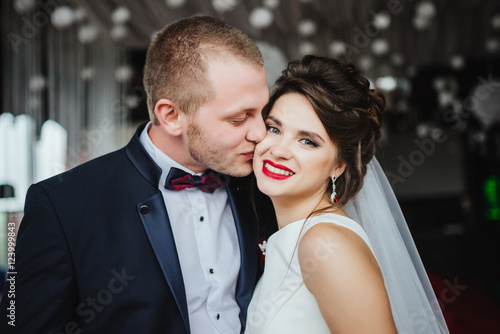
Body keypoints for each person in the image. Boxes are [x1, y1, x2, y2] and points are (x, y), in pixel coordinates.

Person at [0, 16, 272, 333]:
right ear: (171, 116)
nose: (261, 132)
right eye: (240, 118)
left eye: (262, 112)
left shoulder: (262, 188)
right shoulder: (61, 205)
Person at [245, 55, 449, 333]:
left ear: (338, 166)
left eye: (307, 141)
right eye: (274, 128)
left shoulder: (326, 243)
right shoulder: (295, 237)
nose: (279, 150)